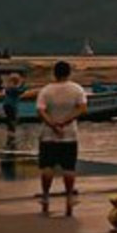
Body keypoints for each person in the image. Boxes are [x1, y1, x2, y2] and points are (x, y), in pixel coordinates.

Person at [36, 61, 88, 216]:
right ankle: (70, 197)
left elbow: (41, 111)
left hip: (48, 134)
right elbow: (82, 109)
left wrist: (53, 124)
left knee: (47, 167)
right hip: (69, 134)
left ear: (54, 73)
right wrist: (65, 122)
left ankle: (45, 196)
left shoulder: (46, 90)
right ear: (69, 73)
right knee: (69, 168)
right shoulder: (77, 89)